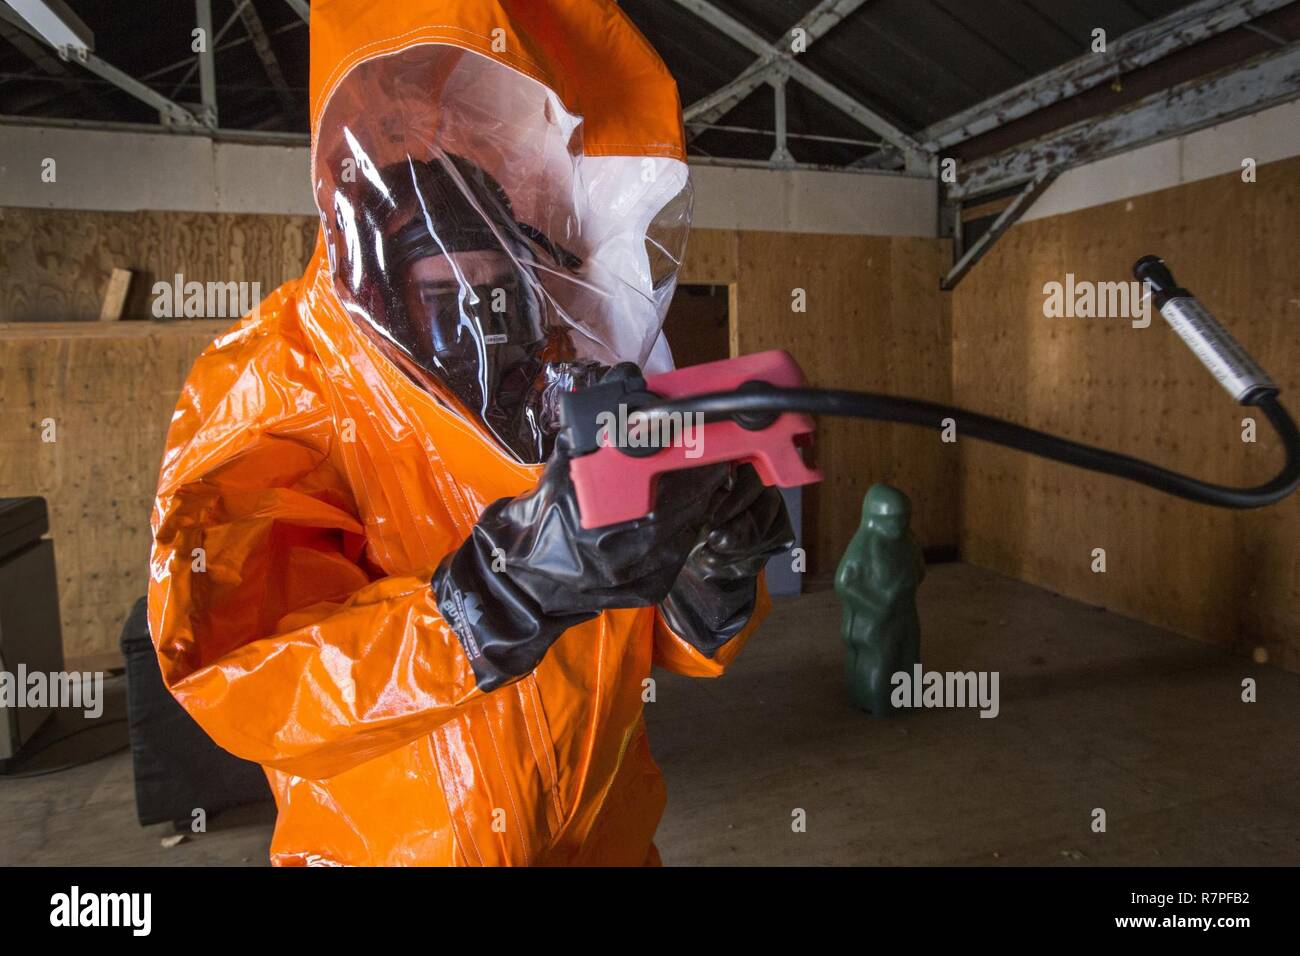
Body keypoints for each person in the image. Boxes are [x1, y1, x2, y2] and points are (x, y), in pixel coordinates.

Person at [148, 0, 791, 865]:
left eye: (503, 289)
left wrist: (710, 578)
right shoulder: (286, 384)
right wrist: (486, 604)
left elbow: (636, 639)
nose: (486, 322)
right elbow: (241, 673)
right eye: (449, 295)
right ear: (382, 292)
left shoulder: (564, 381)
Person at [835, 484, 925, 715]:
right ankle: (877, 701)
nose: (899, 525)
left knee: (909, 656)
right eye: (892, 520)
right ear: (875, 518)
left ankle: (908, 698)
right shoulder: (864, 545)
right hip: (875, 619)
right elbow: (845, 583)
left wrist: (911, 579)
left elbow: (918, 569)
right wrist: (876, 604)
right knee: (881, 660)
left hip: (905, 611)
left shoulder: (908, 539)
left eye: (904, 519)